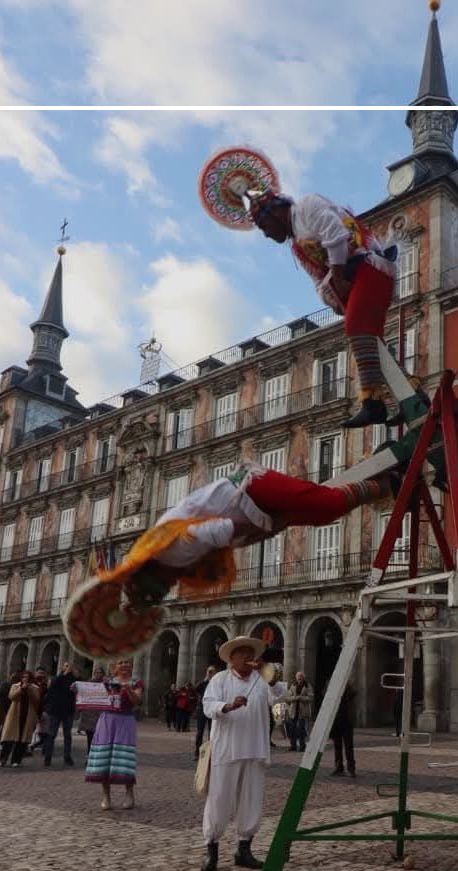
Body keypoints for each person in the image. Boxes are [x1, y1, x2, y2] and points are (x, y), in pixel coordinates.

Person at [95, 462, 397, 618]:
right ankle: (380, 485)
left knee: (324, 505)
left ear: (156, 577)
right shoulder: (163, 553)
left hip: (251, 490)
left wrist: (269, 528)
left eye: (164, 588)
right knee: (321, 512)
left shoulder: (172, 551)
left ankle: (383, 483)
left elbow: (222, 530)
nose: (173, 587)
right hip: (251, 502)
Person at [249, 189, 399, 428]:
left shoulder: (308, 206)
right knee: (374, 347)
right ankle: (412, 393)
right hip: (356, 280)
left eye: (263, 226)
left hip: (369, 267)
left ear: (276, 212)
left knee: (356, 326)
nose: (266, 234)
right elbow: (319, 280)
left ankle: (373, 402)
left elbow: (336, 235)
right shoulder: (298, 246)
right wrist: (334, 298)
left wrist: (338, 278)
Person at [200, 637, 288, 871]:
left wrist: (269, 674)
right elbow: (208, 705)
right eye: (243, 653)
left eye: (251, 653)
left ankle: (244, 847)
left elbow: (281, 695)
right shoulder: (220, 679)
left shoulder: (261, 680)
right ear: (232, 657)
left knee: (251, 799)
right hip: (227, 748)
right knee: (220, 797)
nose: (248, 657)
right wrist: (228, 706)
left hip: (255, 748)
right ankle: (212, 847)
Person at [84, 658, 143, 811]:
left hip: (125, 720)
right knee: (105, 757)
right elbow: (93, 697)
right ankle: (106, 796)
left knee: (124, 758)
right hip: (107, 720)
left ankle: (129, 794)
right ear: (115, 667)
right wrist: (79, 690)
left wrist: (128, 690)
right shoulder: (107, 682)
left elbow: (137, 700)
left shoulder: (136, 682)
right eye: (121, 662)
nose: (124, 664)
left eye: (127, 662)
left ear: (131, 666)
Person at [0, 671, 41, 768]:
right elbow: (11, 696)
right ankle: (3, 759)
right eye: (23, 677)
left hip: (27, 716)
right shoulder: (15, 686)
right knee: (8, 739)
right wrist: (21, 689)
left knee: (22, 740)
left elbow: (36, 699)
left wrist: (29, 689)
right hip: (14, 715)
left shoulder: (35, 688)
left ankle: (16, 760)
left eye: (27, 677)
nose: (25, 679)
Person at [42, 663, 77, 767]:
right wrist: (64, 674)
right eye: (66, 665)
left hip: (68, 711)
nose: (68, 667)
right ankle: (48, 757)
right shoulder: (57, 678)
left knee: (67, 735)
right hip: (56, 710)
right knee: (52, 734)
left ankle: (67, 756)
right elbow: (52, 687)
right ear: (62, 668)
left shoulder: (74, 680)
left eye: (69, 666)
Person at [76, 665, 105, 753]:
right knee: (90, 736)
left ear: (103, 674)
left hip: (101, 714)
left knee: (101, 736)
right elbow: (82, 695)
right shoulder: (89, 683)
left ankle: (98, 754)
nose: (98, 674)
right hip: (89, 714)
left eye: (100, 673)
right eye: (96, 672)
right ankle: (89, 755)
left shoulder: (106, 684)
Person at [331, 684, 356, 778]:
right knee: (337, 745)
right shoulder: (331, 683)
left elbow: (352, 695)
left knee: (348, 746)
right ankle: (339, 767)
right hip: (336, 719)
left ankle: (351, 768)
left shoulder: (348, 686)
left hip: (346, 719)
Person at [286, 672, 314, 753]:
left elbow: (311, 697)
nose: (299, 678)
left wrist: (301, 698)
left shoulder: (307, 685)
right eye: (298, 677)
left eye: (301, 677)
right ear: (296, 678)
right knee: (292, 729)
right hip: (293, 711)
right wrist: (295, 698)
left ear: (303, 678)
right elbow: (288, 697)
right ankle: (293, 745)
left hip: (303, 711)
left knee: (302, 729)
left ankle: (302, 746)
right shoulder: (293, 685)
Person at [194, 665, 217, 760]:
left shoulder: (217, 683)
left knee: (212, 732)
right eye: (209, 671)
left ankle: (210, 753)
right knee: (200, 732)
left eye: (213, 672)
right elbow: (196, 689)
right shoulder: (203, 683)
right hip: (202, 710)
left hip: (212, 709)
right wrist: (205, 679)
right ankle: (197, 753)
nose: (211, 673)